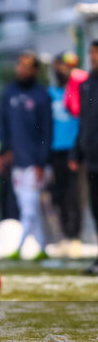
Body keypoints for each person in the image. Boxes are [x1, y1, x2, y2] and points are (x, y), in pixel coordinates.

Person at [0, 52, 52, 261]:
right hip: (16, 161)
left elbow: (47, 131)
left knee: (28, 207)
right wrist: (3, 152)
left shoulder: (41, 96)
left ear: (35, 70)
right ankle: (42, 246)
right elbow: (4, 125)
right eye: (20, 65)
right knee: (27, 206)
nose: (22, 69)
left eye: (27, 66)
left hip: (34, 163)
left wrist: (41, 162)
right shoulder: (10, 92)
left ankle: (19, 248)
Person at [49, 52, 83, 251]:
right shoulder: (51, 92)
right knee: (58, 194)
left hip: (73, 150)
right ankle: (64, 234)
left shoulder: (78, 90)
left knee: (74, 194)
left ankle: (75, 235)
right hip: (55, 150)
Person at [69, 40, 98, 275]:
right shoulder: (87, 84)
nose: (93, 57)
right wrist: (76, 152)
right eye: (92, 52)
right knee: (96, 209)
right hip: (92, 158)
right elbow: (85, 123)